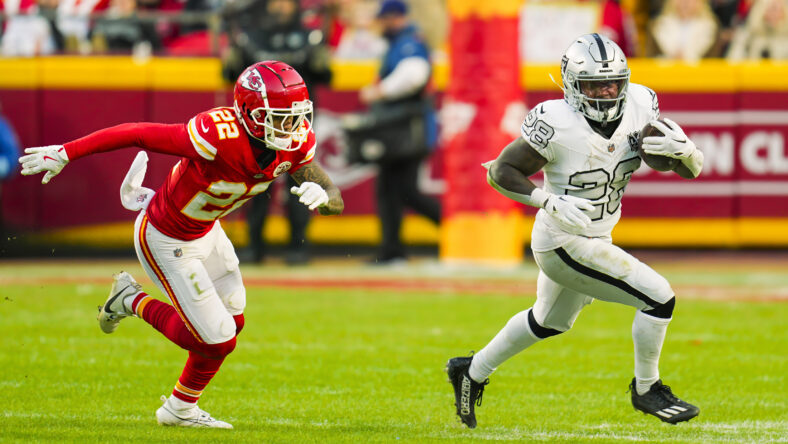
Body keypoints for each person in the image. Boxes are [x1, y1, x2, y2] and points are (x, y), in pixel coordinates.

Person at [18, 61, 344, 428]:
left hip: (207, 232)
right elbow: (138, 132)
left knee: (232, 322)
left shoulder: (295, 143)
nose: (292, 127)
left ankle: (179, 409)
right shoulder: (218, 135)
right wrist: (67, 152)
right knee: (218, 339)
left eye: (297, 116)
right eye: (281, 117)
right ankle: (130, 300)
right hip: (166, 237)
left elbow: (335, 199)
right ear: (250, 113)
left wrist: (326, 195)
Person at [446, 34, 703, 429]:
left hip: (598, 235)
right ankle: (647, 388)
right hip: (562, 240)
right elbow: (501, 170)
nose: (605, 92)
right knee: (659, 298)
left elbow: (685, 168)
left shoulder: (641, 104)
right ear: (571, 85)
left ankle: (471, 371)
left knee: (548, 322)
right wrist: (545, 200)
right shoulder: (555, 121)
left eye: (613, 83)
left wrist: (687, 153)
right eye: (594, 85)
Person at [223, 0, 333, 264]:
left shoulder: (309, 37)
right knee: (256, 186)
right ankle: (254, 246)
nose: (281, 7)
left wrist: (320, 56)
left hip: (296, 126)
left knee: (300, 186)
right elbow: (228, 74)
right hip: (257, 127)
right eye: (276, 2)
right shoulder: (250, 37)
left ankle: (298, 247)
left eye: (286, 2)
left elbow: (327, 75)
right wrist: (233, 53)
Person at [359, 0, 440, 264]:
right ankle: (391, 251)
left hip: (408, 132)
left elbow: (414, 75)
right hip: (398, 132)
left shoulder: (409, 42)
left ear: (394, 17)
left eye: (383, 19)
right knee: (389, 191)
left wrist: (380, 91)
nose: (380, 25)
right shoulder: (399, 43)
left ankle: (458, 231)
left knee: (405, 192)